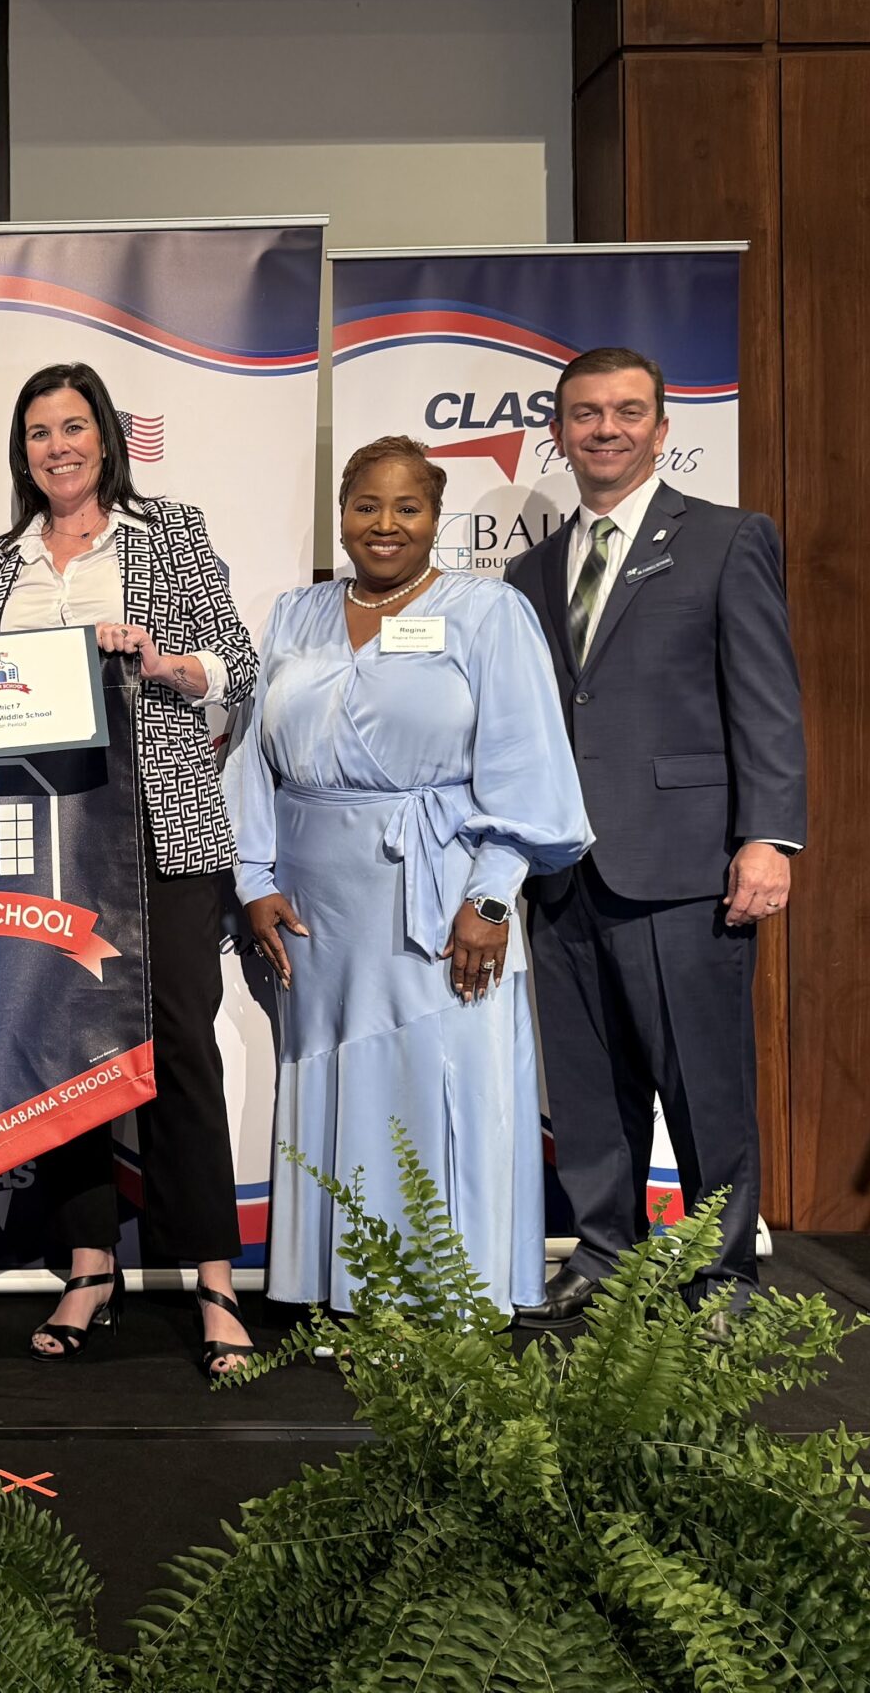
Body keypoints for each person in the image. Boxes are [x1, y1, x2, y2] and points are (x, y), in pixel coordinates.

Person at [228, 436, 591, 1314]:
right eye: (366, 506)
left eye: (408, 508)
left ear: (437, 520)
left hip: (441, 893)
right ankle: (338, 1290)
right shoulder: (294, 614)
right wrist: (253, 878)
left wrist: (490, 894)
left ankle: (442, 1298)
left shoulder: (488, 612)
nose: (384, 525)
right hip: (315, 904)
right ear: (341, 513)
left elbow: (529, 765)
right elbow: (250, 757)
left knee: (439, 1079)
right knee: (330, 1079)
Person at [0, 360, 260, 1380]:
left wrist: (160, 662)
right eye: (39, 431)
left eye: (74, 427)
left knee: (180, 1041)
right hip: (45, 838)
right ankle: (89, 1264)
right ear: (24, 452)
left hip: (158, 820)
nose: (58, 446)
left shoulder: (167, 531)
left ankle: (212, 1278)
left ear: (106, 439)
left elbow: (237, 663)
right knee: (70, 1055)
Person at [505, 347, 805, 1323]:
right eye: (585, 414)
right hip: (562, 865)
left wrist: (769, 837)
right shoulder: (528, 572)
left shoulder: (726, 540)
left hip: (686, 862)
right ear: (557, 432)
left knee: (702, 1082)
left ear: (662, 430)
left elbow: (766, 701)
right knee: (588, 1088)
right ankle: (603, 1257)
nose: (605, 429)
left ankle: (723, 1275)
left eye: (627, 412)